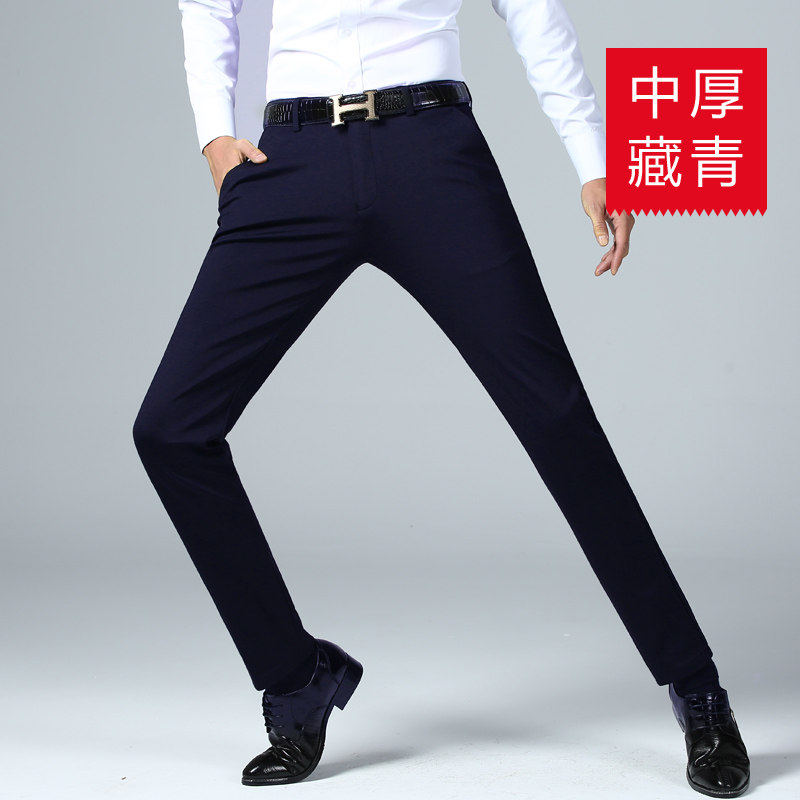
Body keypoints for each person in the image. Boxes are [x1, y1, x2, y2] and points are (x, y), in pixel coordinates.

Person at [132, 0, 750, 795]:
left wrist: (593, 154)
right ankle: (296, 677)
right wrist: (215, 133)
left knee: (556, 416)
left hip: (431, 148)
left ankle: (696, 687)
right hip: (292, 156)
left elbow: (531, 8)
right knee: (171, 429)